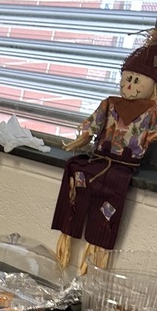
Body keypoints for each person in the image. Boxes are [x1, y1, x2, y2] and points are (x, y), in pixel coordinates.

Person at [51, 27, 157, 269]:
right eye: (126, 78)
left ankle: (95, 253)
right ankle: (67, 237)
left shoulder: (152, 113)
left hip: (124, 166)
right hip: (99, 157)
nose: (129, 85)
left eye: (136, 80)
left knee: (111, 195)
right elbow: (93, 125)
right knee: (74, 168)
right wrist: (83, 138)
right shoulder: (109, 104)